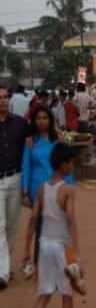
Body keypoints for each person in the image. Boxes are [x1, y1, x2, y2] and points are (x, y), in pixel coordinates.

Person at [23, 143, 84, 308]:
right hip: (62, 245)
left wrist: (27, 248)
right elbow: (71, 220)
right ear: (64, 164)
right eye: (72, 162)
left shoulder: (41, 189)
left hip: (44, 244)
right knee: (67, 293)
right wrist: (76, 252)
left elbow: (34, 217)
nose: (73, 166)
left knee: (45, 292)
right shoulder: (68, 190)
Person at [0, 85, 29, 290]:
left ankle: (5, 266)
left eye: (4, 96)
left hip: (16, 178)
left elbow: (30, 147)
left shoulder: (20, 123)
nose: (2, 100)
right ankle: (2, 272)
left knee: (12, 226)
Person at [22, 107, 72, 207]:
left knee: (58, 220)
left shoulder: (58, 139)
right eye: (38, 118)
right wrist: (25, 193)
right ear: (34, 121)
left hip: (58, 188)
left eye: (45, 118)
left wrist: (69, 185)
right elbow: (26, 167)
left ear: (50, 120)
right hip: (36, 188)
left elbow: (66, 164)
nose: (42, 121)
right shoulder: (30, 141)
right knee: (37, 220)